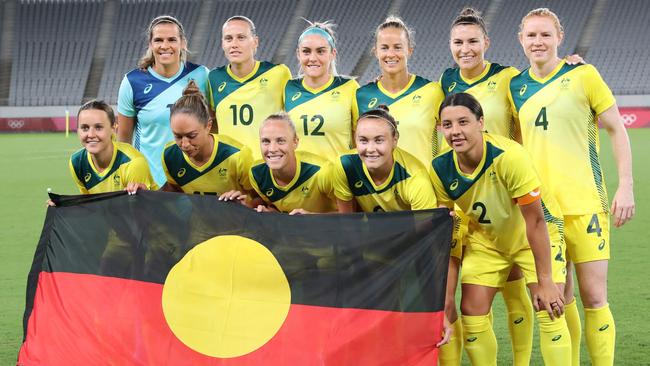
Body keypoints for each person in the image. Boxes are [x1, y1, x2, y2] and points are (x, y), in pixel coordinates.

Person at [509, 8, 635, 365]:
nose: (538, 42)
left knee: (594, 297)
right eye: (531, 35)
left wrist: (625, 185)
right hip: (541, 212)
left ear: (559, 38)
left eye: (545, 34)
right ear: (521, 40)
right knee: (556, 301)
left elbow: (616, 128)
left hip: (586, 204)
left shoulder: (584, 75)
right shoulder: (514, 87)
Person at [431, 93, 571, 365]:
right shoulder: (440, 168)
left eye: (463, 122)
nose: (455, 131)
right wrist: (446, 293)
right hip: (488, 241)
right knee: (471, 312)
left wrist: (546, 280)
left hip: (535, 237)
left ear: (481, 122)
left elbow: (536, 221)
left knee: (550, 307)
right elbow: (445, 229)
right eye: (447, 125)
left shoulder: (508, 157)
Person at [438, 8, 525, 365]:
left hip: (506, 193)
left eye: (473, 41)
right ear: (450, 46)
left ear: (486, 42)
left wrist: (566, 64)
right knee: (462, 291)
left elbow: (532, 104)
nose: (466, 48)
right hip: (461, 196)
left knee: (514, 283)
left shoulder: (507, 77)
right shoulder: (445, 81)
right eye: (458, 42)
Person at [117, 15, 210, 187]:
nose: (165, 46)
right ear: (150, 44)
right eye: (158, 40)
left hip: (194, 184)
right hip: (149, 186)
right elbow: (123, 143)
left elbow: (214, 129)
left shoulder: (202, 75)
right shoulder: (132, 82)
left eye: (172, 40)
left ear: (182, 43)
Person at [353, 16, 445, 167]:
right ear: (375, 52)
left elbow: (449, 142)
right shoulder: (361, 96)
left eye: (397, 47)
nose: (390, 54)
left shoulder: (432, 92)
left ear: (409, 50)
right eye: (384, 47)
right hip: (378, 189)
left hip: (422, 187)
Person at [132, 81, 253, 196]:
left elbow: (261, 200)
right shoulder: (170, 155)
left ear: (208, 126)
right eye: (178, 136)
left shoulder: (237, 156)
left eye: (191, 136)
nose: (184, 144)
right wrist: (145, 194)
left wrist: (243, 204)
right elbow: (173, 190)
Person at [208, 15, 291, 160]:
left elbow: (293, 121)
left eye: (241, 37)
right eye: (229, 39)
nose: (234, 44)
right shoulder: (213, 78)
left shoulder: (278, 74)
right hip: (230, 171)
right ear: (222, 44)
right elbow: (211, 124)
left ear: (255, 42)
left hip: (268, 169)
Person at [284, 21, 359, 160]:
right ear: (298, 54)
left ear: (332, 54)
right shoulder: (287, 88)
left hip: (337, 179)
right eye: (306, 51)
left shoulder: (349, 88)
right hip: (299, 180)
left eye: (320, 51)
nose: (313, 58)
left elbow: (363, 140)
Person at [245, 112, 337, 214]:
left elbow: (351, 215)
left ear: (295, 142)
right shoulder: (256, 173)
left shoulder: (322, 172)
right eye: (266, 141)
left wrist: (312, 218)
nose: (272, 149)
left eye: (280, 141)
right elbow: (275, 207)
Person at [69, 100, 157, 195]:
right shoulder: (77, 163)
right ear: (78, 130)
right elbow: (88, 204)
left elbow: (143, 208)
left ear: (113, 128)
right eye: (85, 128)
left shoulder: (132, 163)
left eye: (98, 127)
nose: (91, 134)